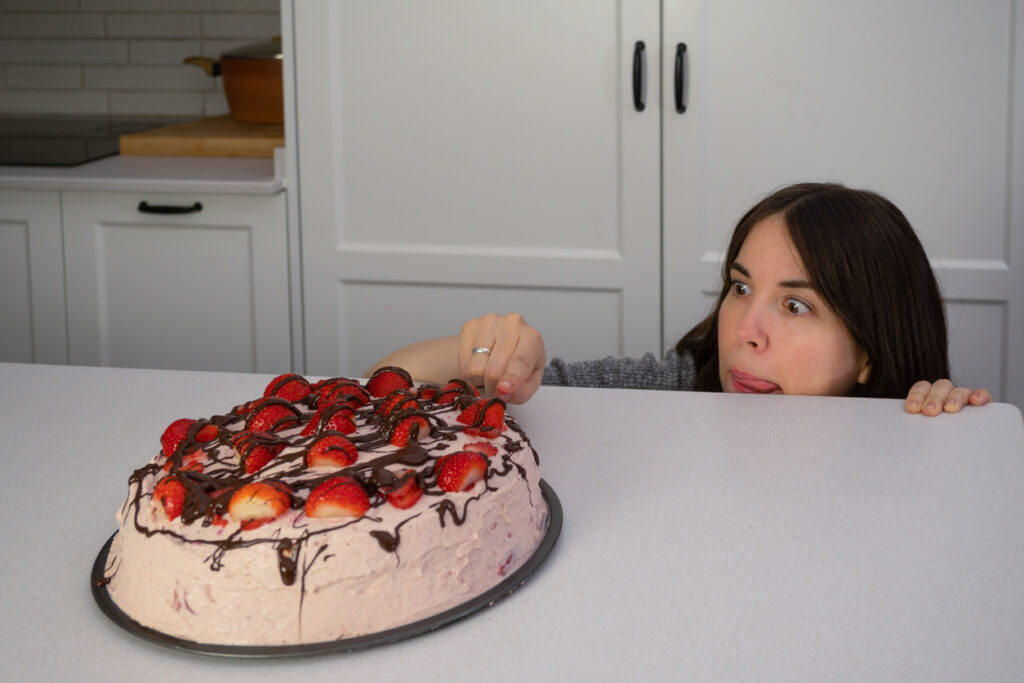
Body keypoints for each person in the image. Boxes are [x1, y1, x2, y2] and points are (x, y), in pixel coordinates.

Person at [369, 183, 992, 416]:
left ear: (868, 355)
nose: (745, 329)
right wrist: (486, 354)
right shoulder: (674, 387)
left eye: (796, 305)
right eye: (741, 288)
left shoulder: (905, 430)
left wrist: (939, 425)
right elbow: (382, 386)